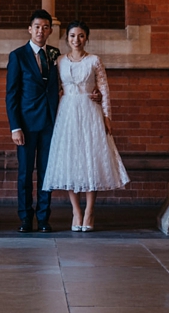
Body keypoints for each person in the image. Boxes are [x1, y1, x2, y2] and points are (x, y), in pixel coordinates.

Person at [41, 21, 129, 231]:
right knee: (71, 160)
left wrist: (107, 116)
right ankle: (76, 211)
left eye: (80, 36)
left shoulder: (94, 61)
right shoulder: (60, 61)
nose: (76, 40)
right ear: (67, 39)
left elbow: (104, 89)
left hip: (90, 111)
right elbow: (55, 88)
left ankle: (89, 211)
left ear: (86, 38)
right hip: (68, 113)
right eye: (72, 36)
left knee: (91, 158)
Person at [6, 9, 60, 232]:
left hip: (50, 123)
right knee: (25, 173)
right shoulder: (17, 56)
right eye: (37, 26)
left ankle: (44, 218)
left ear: (50, 30)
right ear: (30, 29)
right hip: (26, 125)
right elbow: (12, 94)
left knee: (47, 173)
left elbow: (66, 84)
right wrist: (15, 127)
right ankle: (26, 218)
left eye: (45, 27)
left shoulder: (56, 55)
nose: (41, 30)